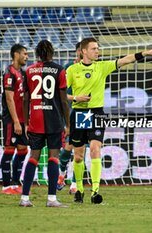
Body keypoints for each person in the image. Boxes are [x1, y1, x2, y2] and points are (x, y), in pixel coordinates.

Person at [66, 37, 152, 204]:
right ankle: (79, 190)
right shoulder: (72, 70)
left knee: (95, 149)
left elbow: (125, 60)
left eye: (98, 48)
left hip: (97, 112)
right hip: (79, 112)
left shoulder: (102, 67)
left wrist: (144, 53)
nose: (97, 51)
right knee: (79, 156)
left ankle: (95, 191)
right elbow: (60, 94)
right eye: (94, 49)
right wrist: (75, 97)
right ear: (84, 51)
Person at [19, 39, 71, 207]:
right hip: (54, 120)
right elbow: (63, 101)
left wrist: (26, 121)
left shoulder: (29, 70)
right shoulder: (59, 70)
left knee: (33, 157)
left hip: (35, 120)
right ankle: (51, 199)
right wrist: (68, 124)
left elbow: (25, 97)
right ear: (51, 52)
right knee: (53, 158)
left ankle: (24, 198)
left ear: (37, 53)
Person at [57, 41, 91, 194]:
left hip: (85, 113)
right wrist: (76, 98)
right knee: (67, 148)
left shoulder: (93, 68)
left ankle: (75, 183)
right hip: (69, 113)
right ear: (79, 51)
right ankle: (62, 174)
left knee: (80, 150)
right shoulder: (68, 70)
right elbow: (62, 95)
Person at [0, 44, 29, 195]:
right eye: (24, 53)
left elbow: (25, 100)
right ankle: (6, 186)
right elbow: (9, 99)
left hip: (22, 119)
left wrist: (26, 122)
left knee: (23, 150)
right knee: (9, 150)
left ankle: (16, 182)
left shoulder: (23, 73)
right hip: (11, 119)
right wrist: (16, 121)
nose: (27, 56)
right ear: (16, 54)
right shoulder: (9, 72)